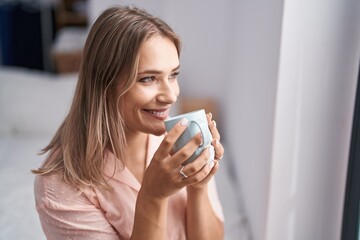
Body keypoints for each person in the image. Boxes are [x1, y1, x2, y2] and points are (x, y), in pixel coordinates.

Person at [33, 5, 225, 240]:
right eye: (148, 79)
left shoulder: (179, 139)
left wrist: (198, 186)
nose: (171, 95)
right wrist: (153, 197)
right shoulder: (59, 186)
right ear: (104, 84)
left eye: (173, 75)